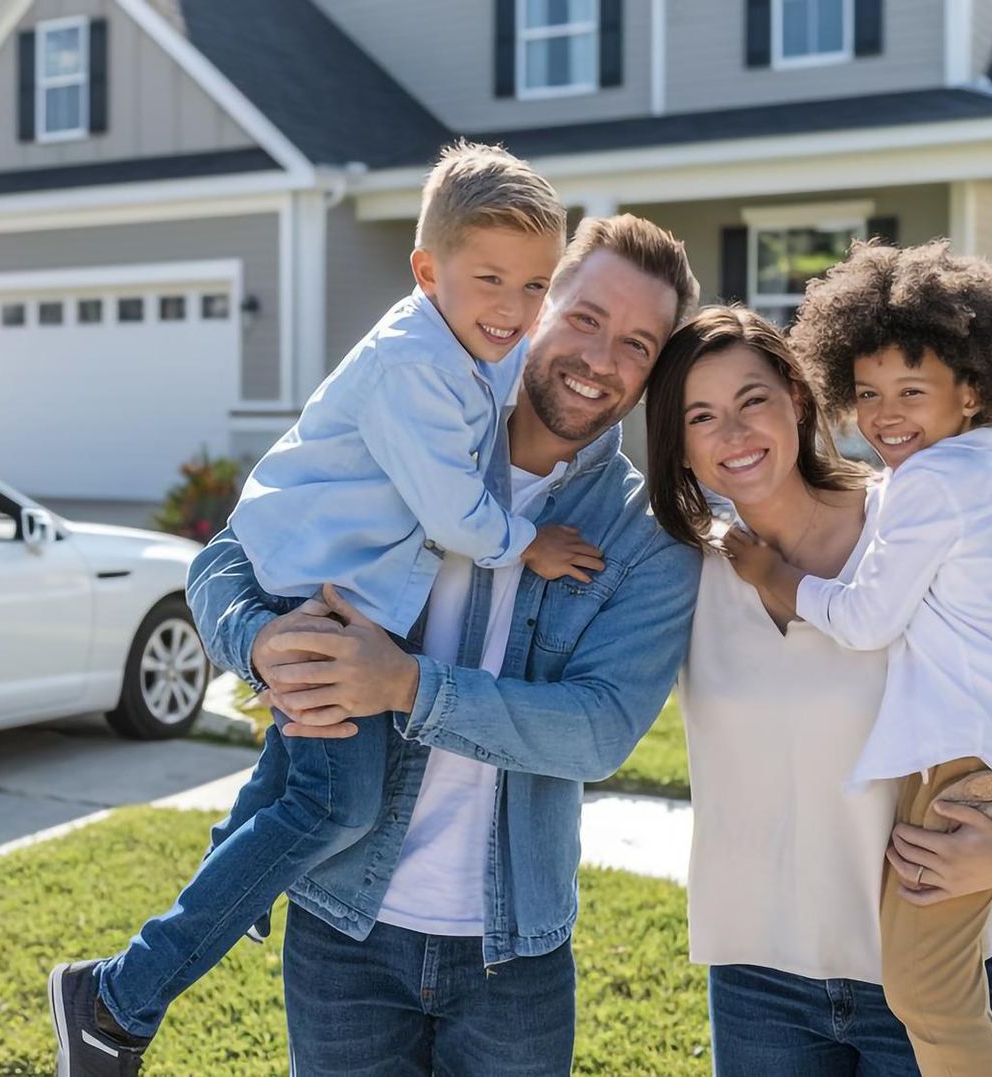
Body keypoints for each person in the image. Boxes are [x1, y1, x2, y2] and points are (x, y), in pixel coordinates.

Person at [47, 141, 597, 1076]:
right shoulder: (411, 366)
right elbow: (453, 511)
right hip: (304, 593)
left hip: (329, 592)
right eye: (491, 279)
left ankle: (203, 909)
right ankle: (115, 997)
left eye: (535, 286)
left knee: (290, 804)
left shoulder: (473, 348)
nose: (514, 308)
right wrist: (529, 543)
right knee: (335, 810)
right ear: (428, 270)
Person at [186, 214, 700, 1075]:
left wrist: (407, 687)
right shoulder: (420, 415)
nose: (602, 358)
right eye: (584, 317)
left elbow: (600, 732)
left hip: (515, 951)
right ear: (538, 302)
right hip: (343, 917)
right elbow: (228, 556)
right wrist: (259, 639)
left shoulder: (647, 534)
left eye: (638, 344)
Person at [655, 297, 992, 1076]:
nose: (734, 433)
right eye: (701, 416)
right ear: (678, 444)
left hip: (929, 963)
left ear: (797, 395)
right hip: (761, 972)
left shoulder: (912, 518)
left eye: (753, 399)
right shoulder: (685, 567)